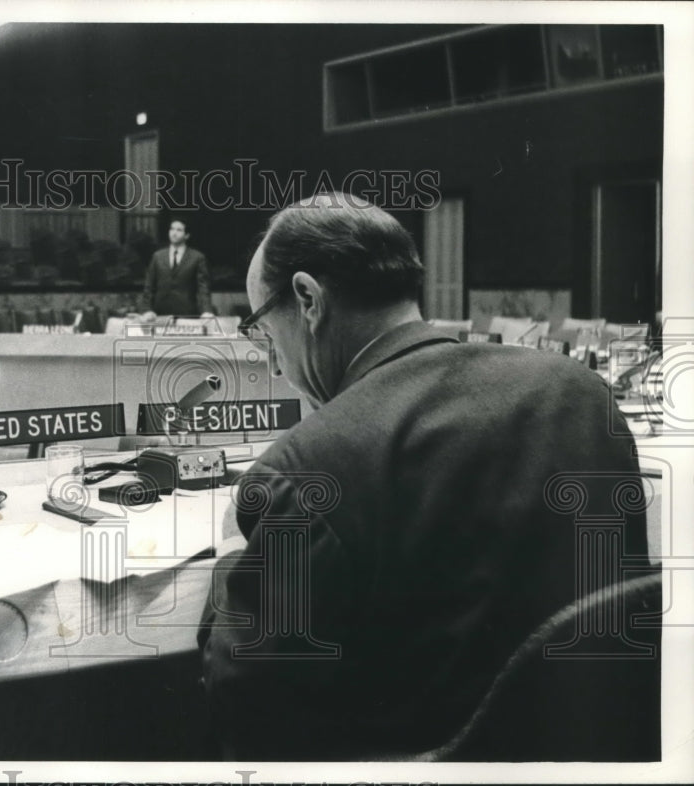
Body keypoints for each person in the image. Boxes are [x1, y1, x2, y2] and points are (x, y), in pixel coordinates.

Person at [197, 193, 650, 760]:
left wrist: (233, 555)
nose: (274, 362)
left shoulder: (307, 468)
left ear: (309, 300)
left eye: (263, 328)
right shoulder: (582, 395)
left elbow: (246, 711)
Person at [140, 219, 213, 318]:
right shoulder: (157, 256)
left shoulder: (197, 258)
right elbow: (149, 286)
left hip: (187, 313)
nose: (174, 233)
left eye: (179, 230)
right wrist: (146, 310)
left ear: (187, 235)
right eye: (172, 229)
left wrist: (206, 310)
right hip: (159, 313)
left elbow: (203, 288)